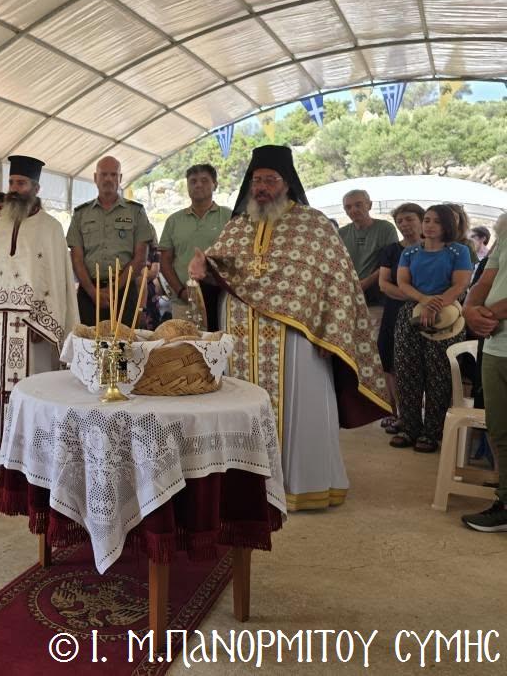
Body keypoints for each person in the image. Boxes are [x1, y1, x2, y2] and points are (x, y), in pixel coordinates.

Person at [189, 145, 389, 511]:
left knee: (300, 407)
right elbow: (220, 275)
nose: (262, 187)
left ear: (287, 183)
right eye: (257, 180)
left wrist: (320, 319)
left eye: (270, 179)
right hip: (241, 336)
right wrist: (204, 273)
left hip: (296, 339)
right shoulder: (236, 226)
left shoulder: (314, 225)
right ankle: (245, 486)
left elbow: (335, 283)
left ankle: (302, 486)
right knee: (239, 405)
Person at [0, 155, 78, 473]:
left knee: (31, 392)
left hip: (32, 330)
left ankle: (31, 455)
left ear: (35, 188)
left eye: (21, 183)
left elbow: (56, 281)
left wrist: (47, 322)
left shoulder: (52, 228)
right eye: (12, 183)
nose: (14, 189)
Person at [391, 204, 473, 452]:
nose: (429, 225)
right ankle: (408, 427)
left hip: (447, 315)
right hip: (411, 313)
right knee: (406, 371)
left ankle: (432, 432)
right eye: (426, 220)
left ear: (448, 225)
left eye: (436, 221)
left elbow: (460, 285)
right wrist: (424, 300)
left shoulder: (459, 251)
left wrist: (436, 305)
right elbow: (402, 282)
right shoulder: (410, 251)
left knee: (439, 374)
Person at [67, 156, 153, 327]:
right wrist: (93, 293)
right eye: (103, 174)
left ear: (120, 179)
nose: (108, 179)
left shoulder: (136, 212)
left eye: (113, 175)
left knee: (125, 349)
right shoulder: (80, 214)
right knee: (88, 348)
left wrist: (113, 290)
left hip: (124, 291)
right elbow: (76, 259)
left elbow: (140, 259)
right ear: (95, 178)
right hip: (89, 292)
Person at [462, 211, 507, 531]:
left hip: (493, 331)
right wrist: (468, 310)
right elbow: (485, 280)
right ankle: (505, 503)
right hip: (495, 347)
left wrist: (486, 314)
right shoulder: (504, 234)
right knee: (500, 430)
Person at [157, 163, 232, 331]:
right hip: (184, 303)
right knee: (186, 350)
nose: (198, 185)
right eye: (193, 181)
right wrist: (181, 292)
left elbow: (236, 256)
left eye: (205, 180)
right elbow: (165, 261)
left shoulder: (229, 217)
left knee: (219, 349)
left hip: (221, 300)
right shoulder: (174, 221)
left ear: (215, 184)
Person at [376, 203, 425, 435]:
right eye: (400, 221)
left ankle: (416, 415)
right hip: (395, 311)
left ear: (422, 220)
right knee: (389, 360)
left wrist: (424, 302)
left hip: (429, 313)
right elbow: (384, 284)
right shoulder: (391, 250)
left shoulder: (436, 249)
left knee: (419, 362)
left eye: (409, 219)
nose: (405, 224)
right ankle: (394, 412)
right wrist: (415, 297)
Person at [338, 189, 398, 309]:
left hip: (379, 293)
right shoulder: (341, 233)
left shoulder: (385, 228)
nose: (353, 210)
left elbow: (391, 262)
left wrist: (365, 283)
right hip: (350, 292)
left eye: (358, 205)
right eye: (348, 207)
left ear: (369, 205)